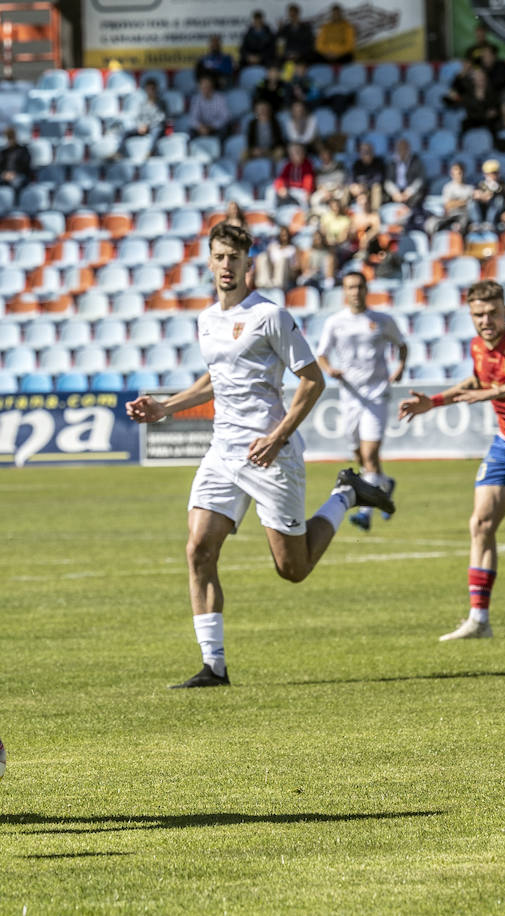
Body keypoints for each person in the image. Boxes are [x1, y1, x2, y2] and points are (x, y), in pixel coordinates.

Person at [125, 223, 395, 687]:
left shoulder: (270, 316)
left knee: (293, 569)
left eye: (235, 257)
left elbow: (313, 380)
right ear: (209, 262)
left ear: (249, 263)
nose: (227, 265)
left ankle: (347, 494)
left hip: (272, 454)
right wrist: (165, 406)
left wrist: (278, 435)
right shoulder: (206, 318)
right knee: (198, 548)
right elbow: (217, 376)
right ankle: (214, 666)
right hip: (223, 452)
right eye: (219, 257)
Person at [398, 280, 505, 641]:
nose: (486, 320)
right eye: (479, 314)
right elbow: (476, 381)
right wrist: (434, 402)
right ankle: (479, 619)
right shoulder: (476, 346)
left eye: (492, 313)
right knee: (481, 524)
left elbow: (496, 384)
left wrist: (496, 392)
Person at [315, 272, 408, 530]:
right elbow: (322, 354)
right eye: (350, 287)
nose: (355, 291)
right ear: (344, 292)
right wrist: (330, 369)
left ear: (366, 289)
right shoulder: (335, 322)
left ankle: (365, 512)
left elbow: (402, 345)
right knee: (358, 454)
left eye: (359, 286)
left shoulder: (381, 320)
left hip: (376, 393)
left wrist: (400, 367)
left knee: (369, 454)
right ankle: (385, 483)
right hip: (350, 397)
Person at [383, 138, 427, 212]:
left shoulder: (416, 161)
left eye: (405, 148)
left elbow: (420, 179)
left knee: (419, 196)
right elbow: (388, 180)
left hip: (410, 192)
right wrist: (395, 193)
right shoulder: (392, 162)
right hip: (395, 192)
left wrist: (409, 192)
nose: (402, 150)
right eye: (400, 148)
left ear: (409, 149)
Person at [0, 127, 33, 192]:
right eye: (8, 138)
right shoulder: (3, 152)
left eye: (11, 137)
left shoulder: (23, 150)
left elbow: (26, 166)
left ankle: (17, 201)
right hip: (4, 176)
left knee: (17, 183)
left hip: (19, 175)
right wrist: (3, 174)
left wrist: (15, 174)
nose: (10, 140)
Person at [254, 225, 299, 290]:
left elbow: (295, 266)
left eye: (285, 235)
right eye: (281, 235)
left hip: (286, 271)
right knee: (262, 256)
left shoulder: (293, 248)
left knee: (283, 260)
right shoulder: (273, 246)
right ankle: (262, 282)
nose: (283, 237)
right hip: (272, 268)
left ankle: (277, 284)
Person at [436, 161, 474, 236]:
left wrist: (456, 202)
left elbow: (472, 205)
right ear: (451, 174)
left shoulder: (470, 188)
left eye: (460, 173)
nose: (459, 175)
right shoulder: (448, 187)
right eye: (456, 173)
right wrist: (464, 202)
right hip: (452, 216)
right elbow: (447, 205)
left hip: (466, 216)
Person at [471, 158, 505, 232]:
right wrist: (482, 196)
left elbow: (502, 194)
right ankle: (477, 224)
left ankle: (490, 224)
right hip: (482, 211)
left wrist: (491, 195)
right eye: (489, 173)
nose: (491, 176)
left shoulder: (503, 184)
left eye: (494, 173)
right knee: (471, 203)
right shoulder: (481, 184)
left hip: (497, 215)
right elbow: (475, 194)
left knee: (498, 200)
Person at [273, 142, 315, 207]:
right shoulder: (288, 165)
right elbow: (281, 178)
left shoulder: (307, 164)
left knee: (304, 200)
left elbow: (309, 179)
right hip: (290, 190)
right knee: (272, 191)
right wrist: (280, 187)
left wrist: (308, 191)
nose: (295, 155)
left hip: (302, 191)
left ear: (303, 153)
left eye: (297, 152)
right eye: (292, 154)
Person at [349, 141, 386, 211]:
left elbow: (379, 179)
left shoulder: (379, 163)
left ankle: (375, 213)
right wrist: (352, 185)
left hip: (371, 188)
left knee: (376, 187)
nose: (365, 154)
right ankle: (343, 214)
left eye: (367, 152)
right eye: (362, 152)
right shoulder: (357, 164)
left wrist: (363, 187)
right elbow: (351, 177)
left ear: (372, 152)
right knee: (346, 188)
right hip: (358, 189)